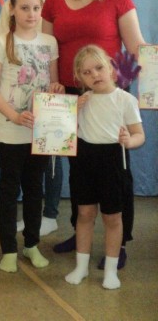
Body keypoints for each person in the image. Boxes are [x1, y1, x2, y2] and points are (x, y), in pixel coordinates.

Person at [42, 0, 146, 267]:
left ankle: (121, 242)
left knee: (118, 170)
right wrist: (53, 88)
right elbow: (47, 51)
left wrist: (122, 90)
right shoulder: (53, 1)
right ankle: (80, 233)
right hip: (70, 98)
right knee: (80, 171)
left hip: (108, 98)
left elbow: (137, 49)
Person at [0, 0, 63, 273]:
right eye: (25, 8)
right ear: (13, 10)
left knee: (34, 189)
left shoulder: (49, 42)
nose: (31, 14)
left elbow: (53, 83)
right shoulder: (0, 43)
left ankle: (31, 244)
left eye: (36, 8)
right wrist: (13, 116)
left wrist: (56, 88)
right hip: (10, 131)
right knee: (8, 191)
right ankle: (8, 249)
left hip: (39, 133)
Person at [64, 46, 144, 290]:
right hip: (84, 160)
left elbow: (139, 134)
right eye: (87, 72)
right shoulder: (81, 101)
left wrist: (129, 141)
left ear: (110, 68)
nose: (95, 75)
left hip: (113, 161)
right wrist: (73, 111)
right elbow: (65, 133)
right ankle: (81, 267)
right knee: (84, 214)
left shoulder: (126, 99)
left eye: (99, 68)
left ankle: (110, 270)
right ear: (79, 77)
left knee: (113, 217)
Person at [0, 0, 63, 233]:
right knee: (18, 175)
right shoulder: (9, 5)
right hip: (17, 99)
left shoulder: (60, 0)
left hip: (51, 91)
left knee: (54, 152)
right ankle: (29, 222)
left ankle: (50, 214)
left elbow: (56, 48)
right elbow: (5, 48)